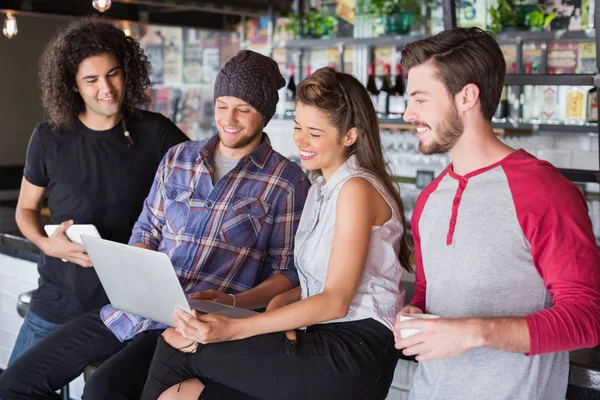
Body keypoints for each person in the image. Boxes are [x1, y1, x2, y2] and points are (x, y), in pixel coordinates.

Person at [0, 50, 310, 399]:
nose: (230, 119)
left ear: (265, 114)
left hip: (195, 325)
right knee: (14, 384)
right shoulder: (179, 158)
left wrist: (236, 304)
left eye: (244, 109)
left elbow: (286, 272)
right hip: (132, 310)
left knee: (102, 391)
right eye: (222, 105)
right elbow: (146, 230)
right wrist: (142, 270)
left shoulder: (288, 182)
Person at [140, 66, 413, 400]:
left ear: (350, 136)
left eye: (314, 133)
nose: (300, 140)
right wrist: (236, 303)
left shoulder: (356, 188)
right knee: (182, 395)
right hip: (319, 336)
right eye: (298, 127)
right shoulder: (320, 188)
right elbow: (310, 285)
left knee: (177, 344)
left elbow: (336, 301)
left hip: (352, 350)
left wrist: (236, 329)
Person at [393, 27, 600, 400]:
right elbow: (428, 290)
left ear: (466, 97)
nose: (409, 113)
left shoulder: (543, 191)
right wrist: (413, 311)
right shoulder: (429, 198)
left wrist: (476, 332)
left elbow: (587, 318)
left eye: (420, 99)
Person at [6, 17, 188, 365]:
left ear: (126, 71)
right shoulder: (48, 138)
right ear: (73, 85)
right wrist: (46, 243)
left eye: (113, 73)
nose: (106, 88)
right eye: (91, 80)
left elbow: (202, 191)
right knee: (13, 388)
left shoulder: (156, 133)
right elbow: (25, 210)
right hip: (59, 299)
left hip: (127, 311)